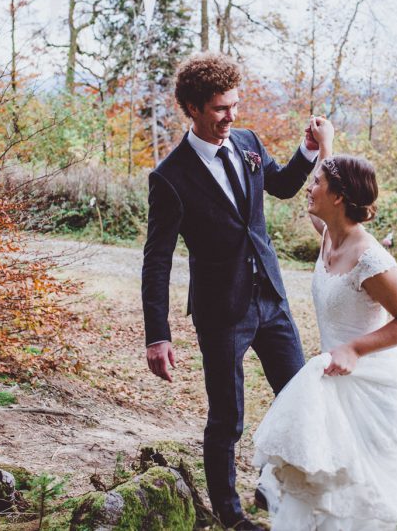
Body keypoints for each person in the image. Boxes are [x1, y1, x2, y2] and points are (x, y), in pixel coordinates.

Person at [142, 51, 333, 530]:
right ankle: (231, 515)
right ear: (192, 107)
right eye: (219, 109)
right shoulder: (170, 177)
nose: (231, 117)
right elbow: (157, 259)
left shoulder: (247, 142)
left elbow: (284, 186)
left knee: (296, 398)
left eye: (234, 105)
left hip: (271, 298)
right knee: (227, 418)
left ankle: (275, 489)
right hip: (221, 311)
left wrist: (308, 151)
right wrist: (157, 334)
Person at [252, 145, 397, 529]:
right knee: (326, 481)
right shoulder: (330, 235)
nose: (309, 187)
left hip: (366, 381)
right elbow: (330, 196)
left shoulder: (371, 259)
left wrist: (354, 348)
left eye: (316, 183)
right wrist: (326, 145)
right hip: (330, 378)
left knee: (365, 481)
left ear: (337, 197)